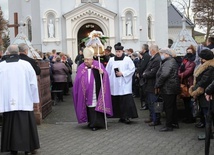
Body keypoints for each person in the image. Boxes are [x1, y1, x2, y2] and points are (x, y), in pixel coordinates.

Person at [0, 45, 40, 155]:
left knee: (10, 125)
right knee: (26, 125)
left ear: (7, 53)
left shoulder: (1, 66)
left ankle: (12, 148)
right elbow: (33, 84)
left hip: (8, 101)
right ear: (18, 53)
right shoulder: (26, 65)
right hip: (24, 100)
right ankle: (28, 148)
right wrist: (34, 100)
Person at [73, 47, 113, 131]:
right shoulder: (81, 67)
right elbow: (78, 78)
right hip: (85, 92)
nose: (86, 61)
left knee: (95, 104)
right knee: (89, 106)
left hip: (96, 90)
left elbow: (105, 75)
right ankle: (90, 122)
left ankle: (96, 123)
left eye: (88, 59)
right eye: (85, 59)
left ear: (92, 59)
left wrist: (102, 73)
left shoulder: (98, 64)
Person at [106, 42, 138, 124]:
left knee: (125, 101)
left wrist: (123, 73)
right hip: (114, 84)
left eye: (119, 52)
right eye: (116, 51)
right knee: (117, 101)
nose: (118, 53)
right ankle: (120, 116)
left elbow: (132, 69)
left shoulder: (127, 59)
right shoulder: (111, 60)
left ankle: (127, 116)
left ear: (122, 51)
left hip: (124, 84)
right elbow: (107, 71)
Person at [155, 48, 180, 132]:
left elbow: (165, 74)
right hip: (171, 87)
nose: (161, 55)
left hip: (168, 88)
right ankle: (174, 122)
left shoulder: (168, 62)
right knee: (172, 106)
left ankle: (169, 125)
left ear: (166, 54)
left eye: (162, 53)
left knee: (168, 107)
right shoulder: (171, 61)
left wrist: (158, 84)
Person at [189, 49, 214, 132]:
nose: (200, 59)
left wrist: (194, 89)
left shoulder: (210, 67)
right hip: (203, 93)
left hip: (206, 93)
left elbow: (205, 80)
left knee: (208, 114)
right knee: (205, 113)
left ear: (204, 59)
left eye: (201, 58)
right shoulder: (205, 66)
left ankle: (209, 133)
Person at [142, 44, 161, 126]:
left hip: (153, 84)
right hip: (149, 84)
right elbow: (148, 68)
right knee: (150, 102)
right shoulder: (153, 58)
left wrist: (145, 74)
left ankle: (156, 119)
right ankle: (151, 117)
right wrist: (146, 72)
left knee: (154, 102)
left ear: (153, 50)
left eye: (150, 50)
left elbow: (153, 72)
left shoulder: (157, 59)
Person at [178, 45, 196, 124]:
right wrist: (180, 74)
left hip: (189, 83)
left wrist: (181, 75)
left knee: (190, 102)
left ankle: (191, 117)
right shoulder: (184, 60)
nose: (188, 53)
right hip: (183, 83)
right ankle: (187, 116)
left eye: (190, 51)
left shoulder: (193, 61)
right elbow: (179, 69)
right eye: (187, 51)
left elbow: (188, 71)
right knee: (185, 101)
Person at [138, 44, 151, 110]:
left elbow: (142, 66)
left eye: (141, 48)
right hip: (144, 76)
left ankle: (146, 105)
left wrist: (139, 71)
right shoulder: (145, 56)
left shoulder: (146, 56)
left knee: (145, 92)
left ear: (144, 49)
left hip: (144, 77)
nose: (140, 50)